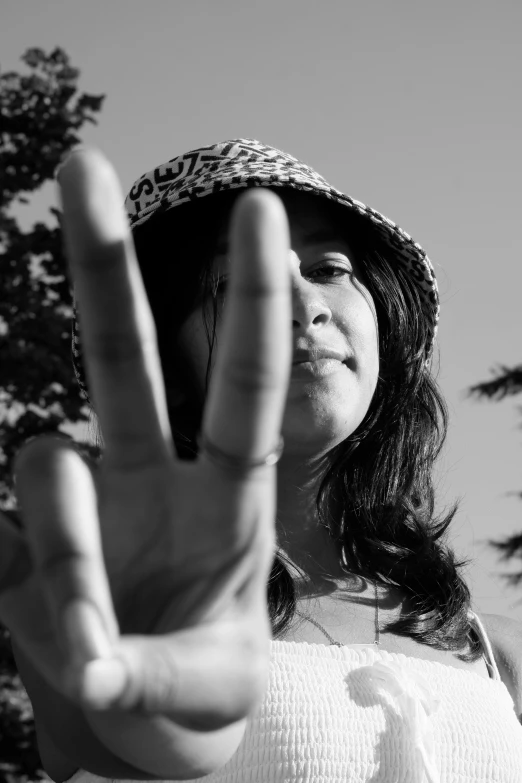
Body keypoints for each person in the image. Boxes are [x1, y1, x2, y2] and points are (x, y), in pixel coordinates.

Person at [0, 138, 521, 783]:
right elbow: (119, 739)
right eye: (236, 282)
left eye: (330, 267)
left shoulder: (497, 652)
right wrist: (161, 729)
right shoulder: (107, 603)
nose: (305, 305)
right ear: (171, 361)